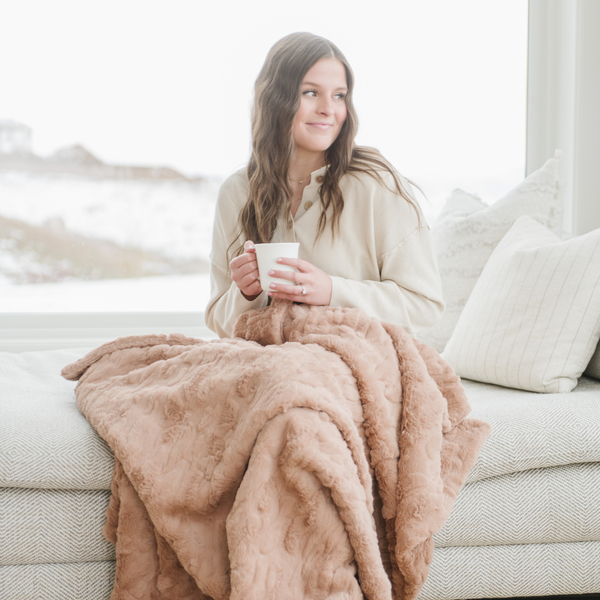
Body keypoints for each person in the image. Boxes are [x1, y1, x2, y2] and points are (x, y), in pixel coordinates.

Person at [205, 32, 444, 339]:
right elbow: (217, 319)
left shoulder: (377, 185)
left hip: (354, 365)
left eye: (339, 95)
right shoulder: (237, 193)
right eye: (310, 93)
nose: (328, 109)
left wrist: (331, 291)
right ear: (276, 98)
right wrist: (246, 294)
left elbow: (425, 307)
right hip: (266, 366)